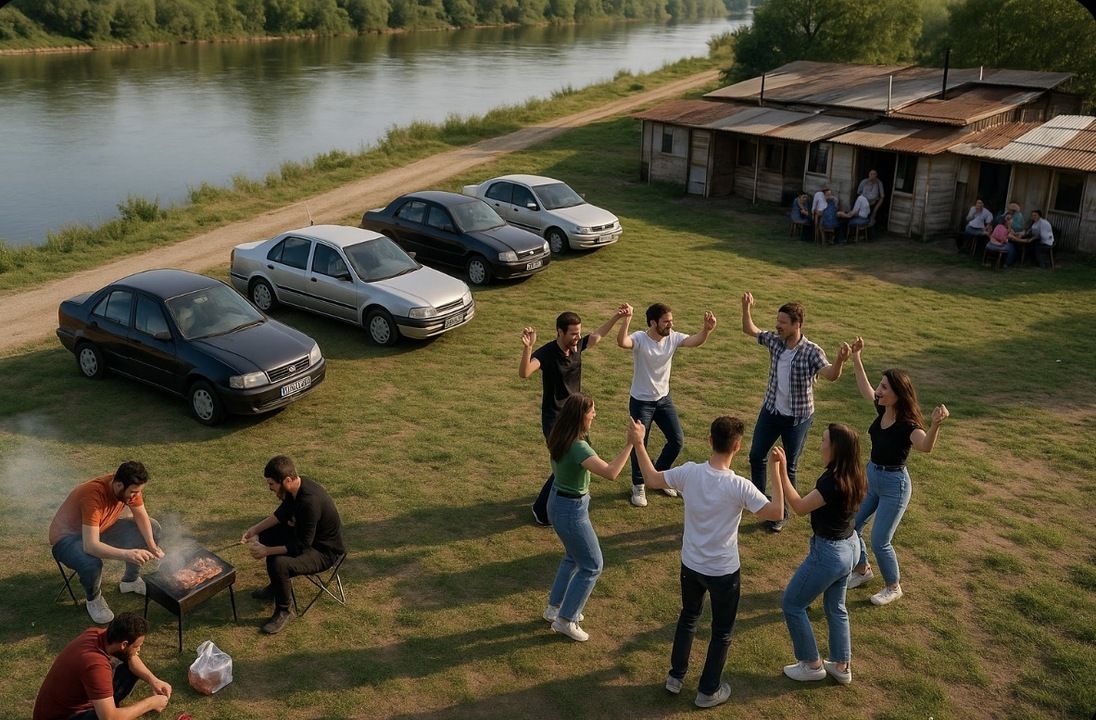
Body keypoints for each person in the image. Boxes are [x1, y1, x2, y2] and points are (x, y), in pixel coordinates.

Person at [629, 415, 784, 708]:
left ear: (710, 441)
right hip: (724, 572)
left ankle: (675, 677)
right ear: (737, 447)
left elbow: (650, 478)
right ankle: (708, 691)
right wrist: (777, 470)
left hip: (691, 565)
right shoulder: (740, 486)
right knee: (721, 632)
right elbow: (776, 512)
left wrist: (639, 442)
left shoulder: (689, 473)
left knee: (689, 617)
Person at [846, 338, 949, 606]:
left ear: (898, 394)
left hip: (894, 485)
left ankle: (893, 586)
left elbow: (925, 447)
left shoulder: (908, 425)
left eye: (884, 387)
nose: (878, 391)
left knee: (880, 539)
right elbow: (864, 388)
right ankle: (862, 570)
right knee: (852, 524)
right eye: (880, 386)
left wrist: (936, 424)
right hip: (872, 476)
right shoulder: (882, 408)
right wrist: (857, 358)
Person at [740, 293, 849, 532]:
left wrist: (840, 360)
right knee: (756, 455)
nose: (778, 325)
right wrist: (746, 307)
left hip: (797, 418)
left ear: (797, 325)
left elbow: (831, 375)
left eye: (783, 322)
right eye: (777, 321)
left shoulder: (812, 351)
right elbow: (750, 329)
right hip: (771, 411)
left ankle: (780, 513)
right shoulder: (776, 341)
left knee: (788, 466)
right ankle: (761, 503)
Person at [773, 424, 867, 686]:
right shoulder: (856, 474)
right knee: (836, 607)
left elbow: (800, 507)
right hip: (852, 547)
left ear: (835, 448)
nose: (820, 444)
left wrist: (782, 472)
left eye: (824, 440)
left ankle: (812, 665)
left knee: (793, 604)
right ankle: (841, 665)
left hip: (830, 554)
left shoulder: (831, 481)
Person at [519, 308, 628, 526]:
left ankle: (545, 507)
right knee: (567, 462)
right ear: (560, 332)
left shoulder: (576, 347)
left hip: (576, 415)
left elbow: (597, 336)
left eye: (579, 333)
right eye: (573, 334)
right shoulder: (547, 353)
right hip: (555, 419)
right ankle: (541, 510)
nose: (577, 337)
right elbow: (525, 373)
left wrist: (617, 317)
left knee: (572, 462)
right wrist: (528, 349)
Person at [542, 393, 631, 642]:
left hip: (557, 503)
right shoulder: (578, 446)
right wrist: (631, 444)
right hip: (571, 511)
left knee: (572, 557)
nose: (595, 414)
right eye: (592, 411)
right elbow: (611, 473)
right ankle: (566, 619)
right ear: (580, 416)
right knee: (593, 565)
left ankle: (554, 608)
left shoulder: (560, 436)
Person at [617, 302, 717, 508]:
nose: (670, 325)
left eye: (671, 321)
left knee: (677, 440)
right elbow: (622, 342)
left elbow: (693, 341)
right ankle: (638, 484)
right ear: (653, 323)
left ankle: (659, 476)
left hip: (663, 400)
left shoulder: (672, 338)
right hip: (641, 402)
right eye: (666, 322)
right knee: (639, 443)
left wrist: (706, 331)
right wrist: (627, 320)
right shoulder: (640, 338)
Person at [49, 462, 163, 624]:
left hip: (99, 528)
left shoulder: (127, 487)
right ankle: (94, 600)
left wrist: (151, 544)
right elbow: (91, 546)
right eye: (132, 492)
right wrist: (127, 553)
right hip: (68, 539)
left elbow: (141, 516)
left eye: (138, 492)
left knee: (153, 528)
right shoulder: (93, 496)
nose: (135, 496)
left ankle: (130, 581)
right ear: (118, 485)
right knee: (91, 563)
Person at [241, 455, 345, 634]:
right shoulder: (295, 488)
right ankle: (276, 586)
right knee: (267, 535)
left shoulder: (309, 502)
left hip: (324, 552)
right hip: (307, 540)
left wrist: (267, 551)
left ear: (287, 480)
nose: (269, 488)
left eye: (272, 484)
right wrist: (254, 530)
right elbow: (280, 515)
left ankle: (284, 611)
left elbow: (302, 546)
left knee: (279, 562)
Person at [33, 612, 171, 720]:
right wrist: (151, 703)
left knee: (130, 667)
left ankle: (108, 705)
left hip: (75, 702)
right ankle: (109, 707)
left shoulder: (98, 634)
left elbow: (131, 657)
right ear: (124, 644)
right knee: (108, 716)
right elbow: (109, 718)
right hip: (63, 716)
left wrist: (154, 680)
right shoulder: (96, 666)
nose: (139, 650)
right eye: (137, 646)